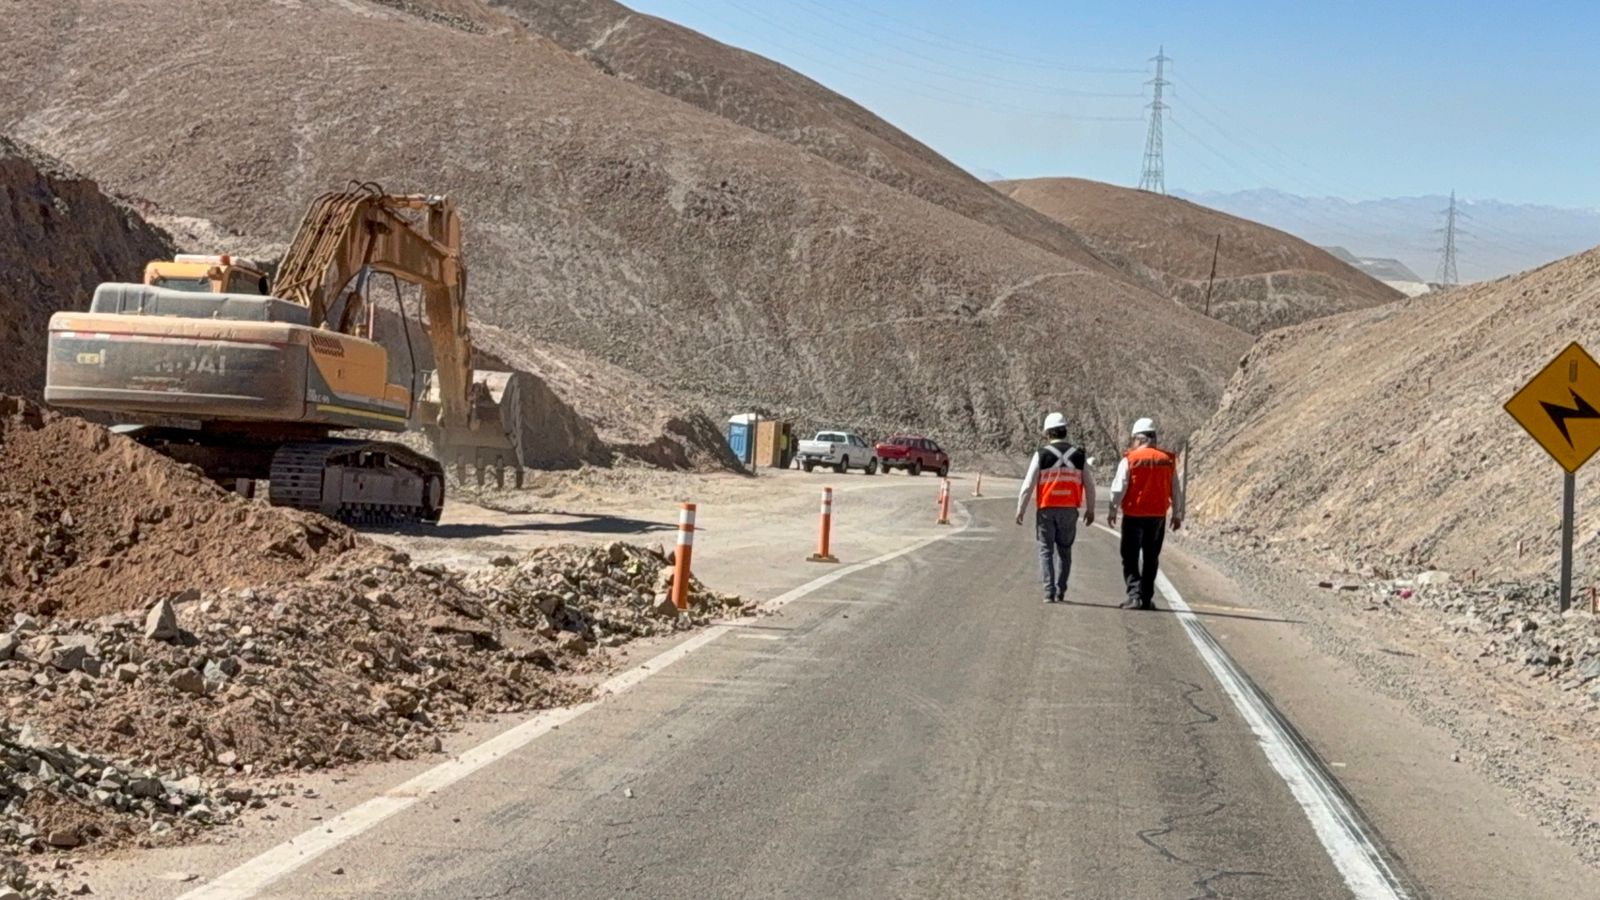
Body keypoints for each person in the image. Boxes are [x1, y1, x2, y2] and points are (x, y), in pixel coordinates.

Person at [1016, 412, 1095, 604]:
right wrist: (1090, 509)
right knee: (1065, 551)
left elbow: (1028, 484)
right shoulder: (1078, 455)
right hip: (1069, 510)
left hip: (1046, 509)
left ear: (1047, 433)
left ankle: (1048, 592)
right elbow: (1089, 485)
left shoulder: (1041, 455)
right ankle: (1061, 590)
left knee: (1046, 550)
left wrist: (1021, 508)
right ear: (1065, 431)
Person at [1107, 417, 1184, 611]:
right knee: (1151, 557)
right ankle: (1147, 598)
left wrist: (1113, 509)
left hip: (1134, 514)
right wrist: (1177, 514)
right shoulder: (1167, 461)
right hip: (1157, 516)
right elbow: (1175, 489)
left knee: (1130, 556)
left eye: (1133, 440)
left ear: (1139, 439)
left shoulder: (1130, 459)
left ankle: (1135, 596)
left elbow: (1119, 488)